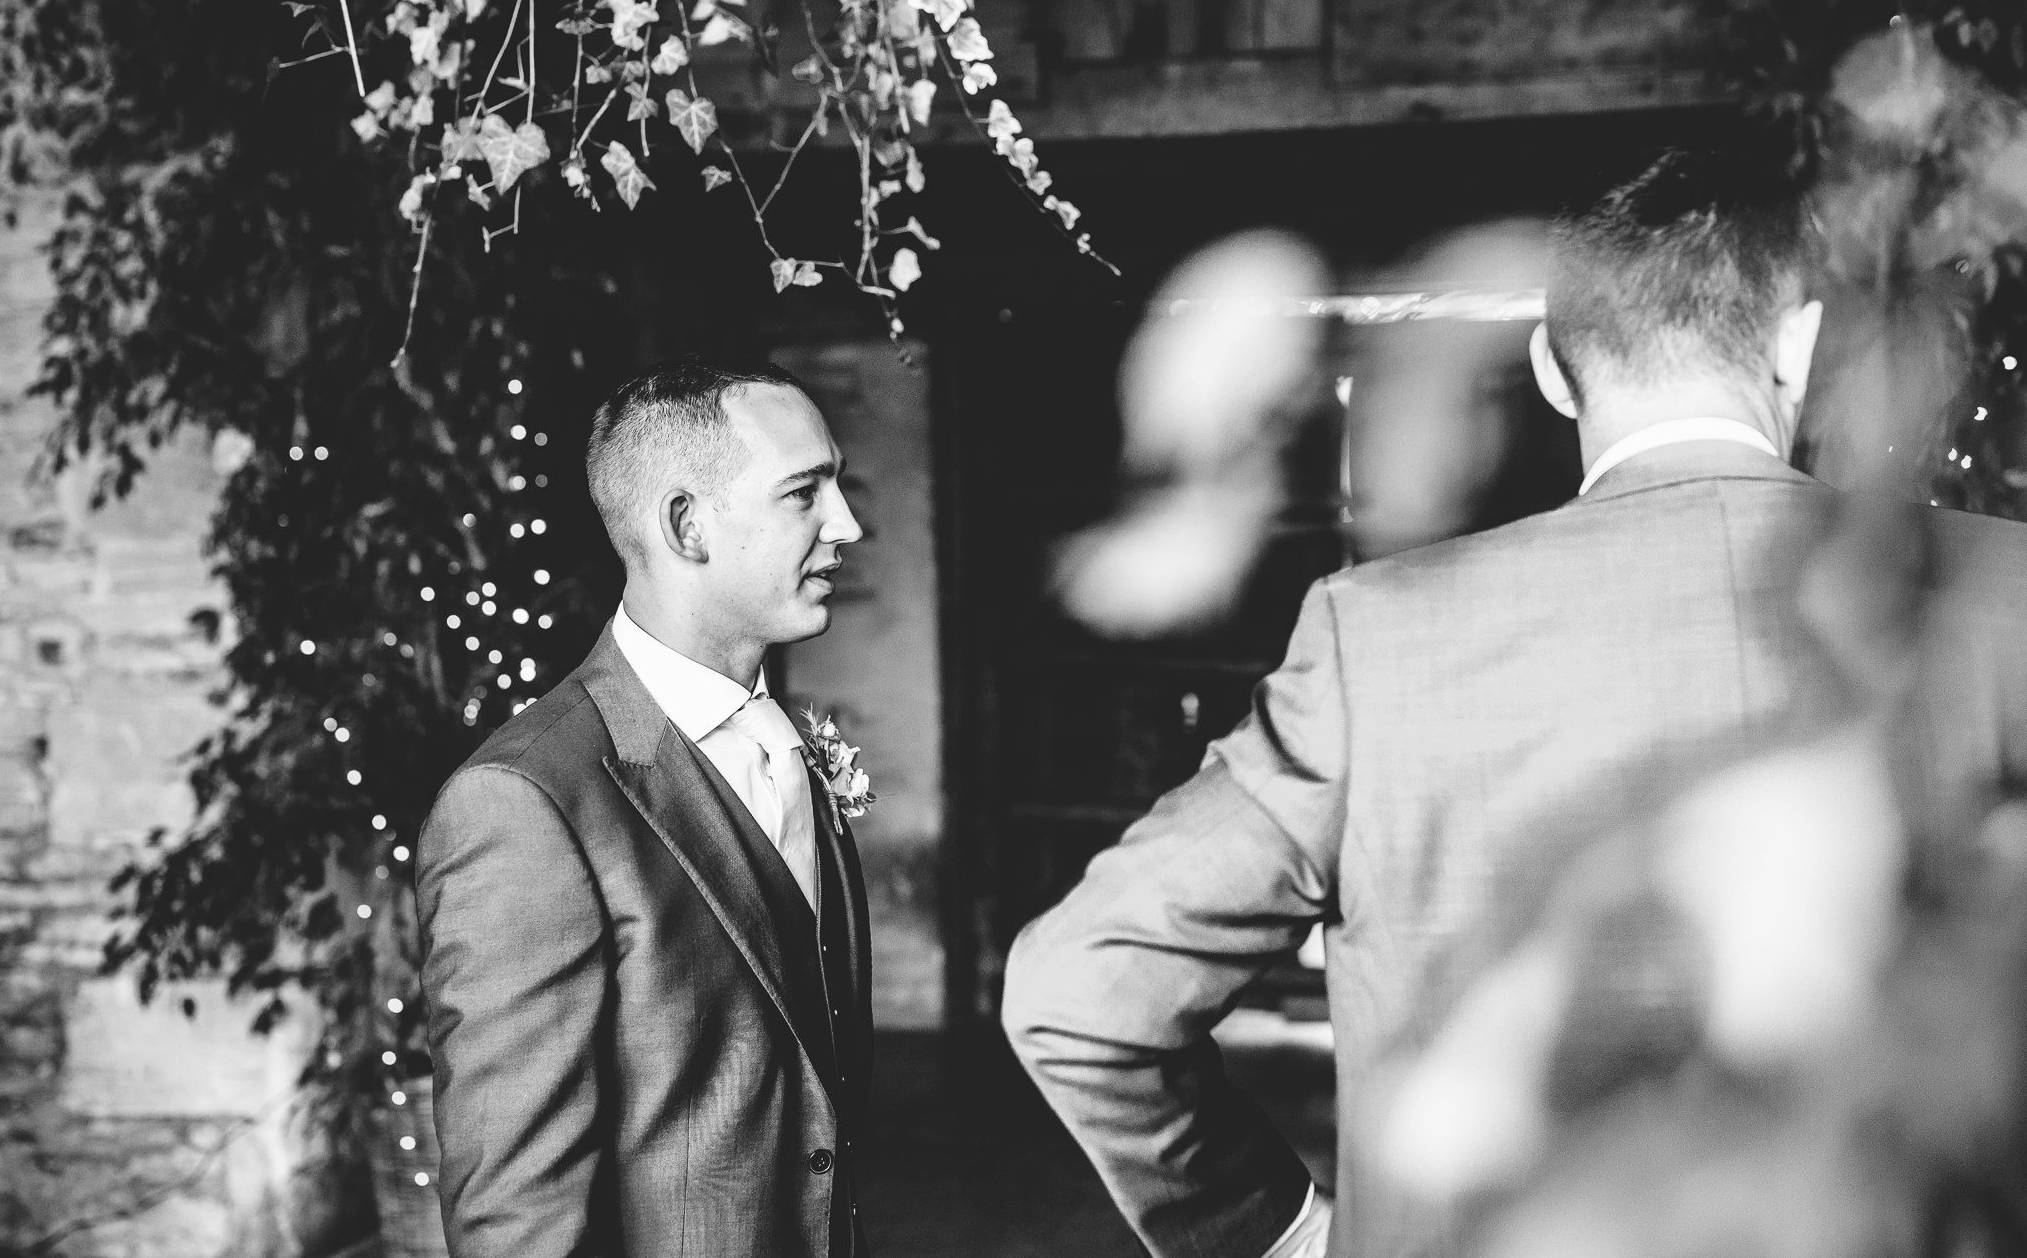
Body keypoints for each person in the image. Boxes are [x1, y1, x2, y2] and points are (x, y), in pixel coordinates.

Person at [1000, 150, 2027, 1258]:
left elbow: (1078, 988)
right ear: (1797, 343)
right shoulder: (1999, 595)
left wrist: (1282, 1230)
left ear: (1549, 369)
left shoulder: (1379, 632)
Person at [416, 358, 870, 1258]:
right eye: (803, 493)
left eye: (838, 486)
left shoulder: (789, 744)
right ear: (685, 524)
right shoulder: (521, 801)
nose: (847, 524)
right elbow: (519, 1222)